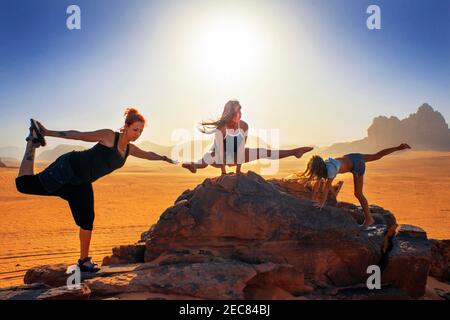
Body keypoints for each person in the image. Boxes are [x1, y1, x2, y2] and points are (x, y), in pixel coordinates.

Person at [15, 108, 176, 272]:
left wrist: (166, 158)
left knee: (87, 220)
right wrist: (47, 132)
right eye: (135, 129)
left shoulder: (129, 149)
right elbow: (79, 135)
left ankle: (83, 261)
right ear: (126, 126)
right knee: (23, 185)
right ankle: (32, 142)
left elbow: (148, 154)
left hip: (81, 183)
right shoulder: (109, 136)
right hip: (68, 169)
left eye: (141, 131)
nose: (137, 134)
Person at [182, 100, 313, 175]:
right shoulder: (221, 127)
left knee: (263, 151)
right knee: (208, 156)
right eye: (235, 111)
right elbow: (220, 151)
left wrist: (238, 171)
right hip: (218, 157)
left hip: (235, 156)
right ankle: (194, 166)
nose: (238, 113)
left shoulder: (244, 126)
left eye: (239, 110)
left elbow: (240, 148)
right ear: (228, 113)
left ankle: (295, 152)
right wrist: (223, 173)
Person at [301, 143, 411, 225]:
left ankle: (369, 219)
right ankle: (398, 147)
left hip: (357, 165)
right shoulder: (325, 164)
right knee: (376, 155)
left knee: (358, 193)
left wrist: (321, 204)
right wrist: (313, 198)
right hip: (352, 156)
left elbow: (326, 187)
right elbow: (317, 182)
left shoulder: (330, 170)